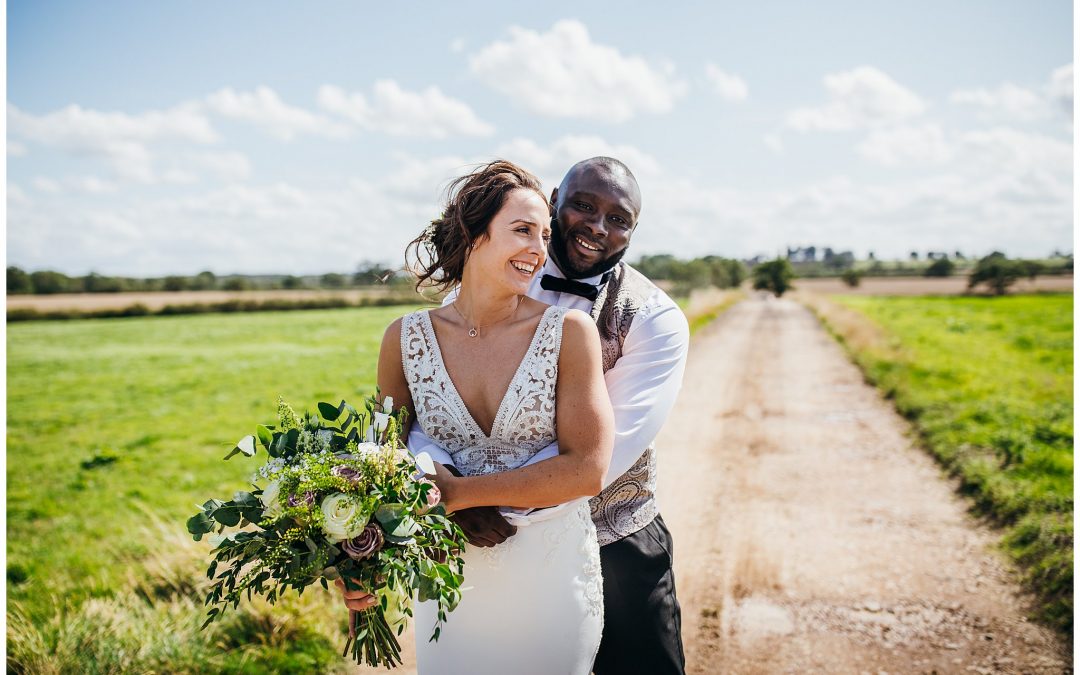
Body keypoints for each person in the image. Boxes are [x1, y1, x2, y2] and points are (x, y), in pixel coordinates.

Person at [409, 157, 691, 674]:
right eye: (583, 206)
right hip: (473, 541)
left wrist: (472, 494)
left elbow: (599, 458)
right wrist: (436, 480)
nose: (597, 227)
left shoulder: (656, 319)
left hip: (614, 540)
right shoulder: (483, 284)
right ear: (556, 199)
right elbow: (430, 414)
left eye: (619, 219)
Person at [339, 160, 614, 675]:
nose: (539, 249)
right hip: (447, 583)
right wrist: (358, 562)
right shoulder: (403, 339)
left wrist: (460, 494)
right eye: (522, 230)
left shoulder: (570, 333)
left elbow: (588, 469)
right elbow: (377, 463)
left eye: (544, 235)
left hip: (550, 580)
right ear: (473, 234)